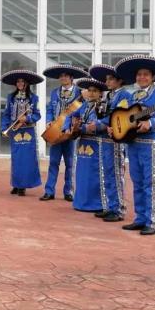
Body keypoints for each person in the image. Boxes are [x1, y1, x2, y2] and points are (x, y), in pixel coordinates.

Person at [115, 55, 155, 236]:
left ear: (153, 77)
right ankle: (140, 218)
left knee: (151, 182)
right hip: (133, 143)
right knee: (137, 182)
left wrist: (150, 124)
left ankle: (153, 221)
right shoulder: (133, 95)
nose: (142, 77)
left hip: (150, 143)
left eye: (146, 75)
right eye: (139, 75)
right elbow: (128, 119)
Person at [89, 64, 132, 222]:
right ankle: (109, 206)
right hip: (106, 138)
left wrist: (100, 124)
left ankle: (119, 208)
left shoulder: (125, 96)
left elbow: (118, 116)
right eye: (107, 79)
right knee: (106, 172)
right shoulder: (108, 96)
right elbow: (104, 114)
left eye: (111, 79)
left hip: (116, 139)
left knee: (116, 173)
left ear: (120, 81)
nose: (107, 82)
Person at [41, 64, 88, 202]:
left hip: (70, 132)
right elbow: (50, 109)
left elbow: (82, 111)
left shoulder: (80, 93)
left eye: (66, 76)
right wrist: (49, 120)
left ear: (71, 78)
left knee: (70, 163)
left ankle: (68, 191)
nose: (63, 78)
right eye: (61, 76)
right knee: (53, 162)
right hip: (55, 130)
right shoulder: (55, 92)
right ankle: (49, 191)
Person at [63, 77, 110, 213]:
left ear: (101, 93)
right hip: (82, 144)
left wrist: (87, 127)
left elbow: (105, 123)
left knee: (95, 174)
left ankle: (97, 204)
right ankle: (81, 202)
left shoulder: (104, 106)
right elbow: (69, 114)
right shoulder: (84, 105)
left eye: (95, 91)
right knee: (82, 174)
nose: (91, 93)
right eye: (89, 91)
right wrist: (68, 127)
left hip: (97, 145)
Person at [1, 70, 44, 196]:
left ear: (27, 83)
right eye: (18, 81)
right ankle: (16, 184)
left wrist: (28, 119)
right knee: (16, 158)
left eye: (22, 81)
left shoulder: (34, 98)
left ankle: (23, 186)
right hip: (15, 131)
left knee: (27, 159)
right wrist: (4, 128)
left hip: (28, 131)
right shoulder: (11, 97)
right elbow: (6, 114)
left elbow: (38, 115)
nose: (20, 83)